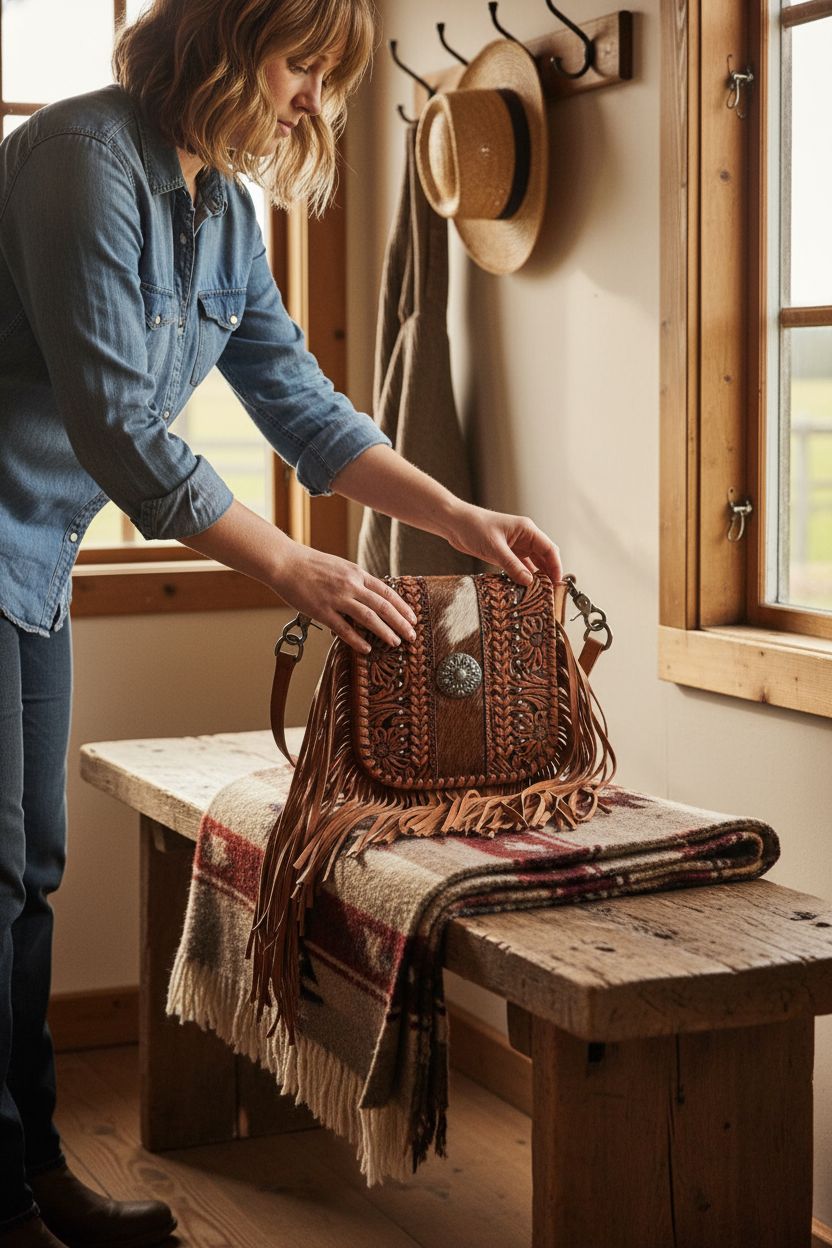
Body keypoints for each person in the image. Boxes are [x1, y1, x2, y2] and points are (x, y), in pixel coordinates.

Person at [0, 1, 562, 1244]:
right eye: (303, 64)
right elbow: (118, 429)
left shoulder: (227, 220)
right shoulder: (79, 163)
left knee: (27, 876)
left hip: (28, 566)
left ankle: (27, 1174)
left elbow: (303, 409)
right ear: (220, 36)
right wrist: (297, 572)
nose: (313, 100)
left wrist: (462, 518)